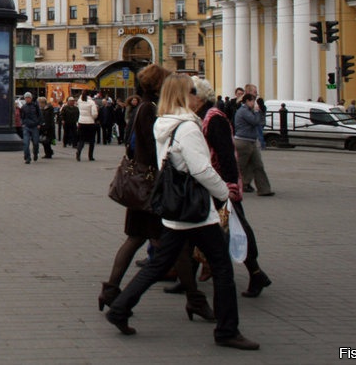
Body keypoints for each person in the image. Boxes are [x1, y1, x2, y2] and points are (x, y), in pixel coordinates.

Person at [106, 74, 259, 350]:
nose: (196, 95)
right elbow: (200, 168)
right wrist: (225, 194)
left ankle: (119, 307)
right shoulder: (187, 127)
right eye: (192, 90)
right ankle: (226, 330)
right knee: (222, 267)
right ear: (183, 95)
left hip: (175, 206)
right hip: (195, 207)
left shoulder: (163, 123)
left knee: (158, 264)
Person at [99, 65, 181, 311]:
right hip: (150, 186)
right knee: (171, 241)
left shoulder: (140, 108)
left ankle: (111, 290)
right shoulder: (149, 110)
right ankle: (116, 296)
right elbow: (153, 148)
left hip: (145, 185)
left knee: (149, 240)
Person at [190, 76, 272, 299]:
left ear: (199, 97)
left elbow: (226, 154)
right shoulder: (201, 116)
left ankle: (255, 273)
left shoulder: (214, 118)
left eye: (190, 95)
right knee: (205, 230)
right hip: (212, 184)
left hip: (221, 186)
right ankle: (188, 280)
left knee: (235, 230)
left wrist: (229, 188)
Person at [233, 90, 274, 196]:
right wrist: (256, 112)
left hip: (251, 141)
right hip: (243, 141)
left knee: (258, 165)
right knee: (240, 167)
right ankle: (231, 186)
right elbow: (255, 122)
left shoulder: (248, 110)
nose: (254, 104)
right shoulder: (244, 111)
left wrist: (257, 112)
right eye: (253, 101)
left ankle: (264, 189)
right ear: (247, 101)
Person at [19, 92, 42, 164]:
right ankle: (27, 157)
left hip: (35, 126)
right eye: (26, 98)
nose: (27, 99)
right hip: (26, 126)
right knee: (26, 143)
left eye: (28, 97)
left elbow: (40, 115)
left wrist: (39, 124)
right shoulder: (23, 107)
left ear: (31, 98)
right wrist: (22, 123)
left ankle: (35, 153)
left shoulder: (35, 106)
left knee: (35, 142)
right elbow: (21, 116)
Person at [76, 90, 99, 161]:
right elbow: (94, 113)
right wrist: (94, 118)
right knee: (91, 140)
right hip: (90, 122)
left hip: (81, 121)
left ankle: (78, 152)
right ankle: (90, 156)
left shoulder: (79, 101)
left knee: (81, 139)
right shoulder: (91, 102)